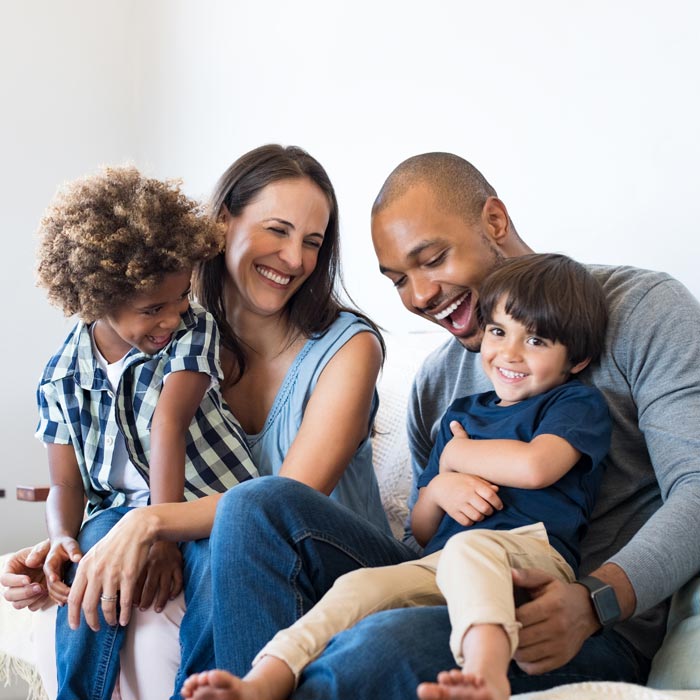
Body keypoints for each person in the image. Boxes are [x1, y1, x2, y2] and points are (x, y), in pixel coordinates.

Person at [191, 151, 700, 698]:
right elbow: (424, 540)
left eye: (432, 259)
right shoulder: (437, 383)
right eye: (398, 281)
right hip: (450, 579)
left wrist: (596, 601)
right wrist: (439, 488)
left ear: (494, 222)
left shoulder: (643, 309)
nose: (420, 296)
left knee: (377, 646)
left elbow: (695, 489)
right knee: (255, 505)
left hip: (575, 621)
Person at [1, 145, 389, 699]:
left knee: (226, 534)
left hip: (326, 562)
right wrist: (64, 547)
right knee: (105, 562)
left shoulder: (347, 349)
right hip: (222, 544)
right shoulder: (167, 330)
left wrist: (151, 523)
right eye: (277, 230)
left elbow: (284, 502)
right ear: (222, 222)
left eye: (312, 241)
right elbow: (106, 469)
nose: (295, 258)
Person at [180, 253, 612, 700]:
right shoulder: (461, 415)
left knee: (470, 547)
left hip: (531, 558)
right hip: (440, 563)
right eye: (499, 332)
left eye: (537, 341)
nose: (509, 353)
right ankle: (264, 679)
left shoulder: (573, 404)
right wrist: (441, 484)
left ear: (576, 360)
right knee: (358, 586)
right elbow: (423, 529)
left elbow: (536, 466)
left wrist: (458, 455)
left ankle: (487, 674)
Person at [33, 166, 258, 700]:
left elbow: (168, 424)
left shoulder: (192, 329)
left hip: (208, 500)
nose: (172, 316)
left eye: (180, 297)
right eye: (152, 309)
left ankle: (202, 690)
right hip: (117, 512)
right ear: (96, 299)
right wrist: (63, 536)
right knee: (91, 561)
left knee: (214, 570)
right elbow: (67, 485)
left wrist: (161, 533)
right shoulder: (61, 376)